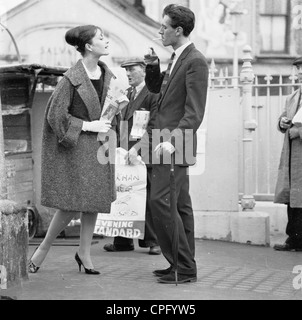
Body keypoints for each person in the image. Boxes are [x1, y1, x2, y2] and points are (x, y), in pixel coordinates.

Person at [28, 25, 117, 275]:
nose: (106, 41)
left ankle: (84, 252)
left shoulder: (109, 76)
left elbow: (110, 110)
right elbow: (55, 115)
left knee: (93, 203)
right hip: (77, 148)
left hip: (101, 147)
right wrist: (88, 125)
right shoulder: (71, 78)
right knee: (70, 204)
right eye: (101, 37)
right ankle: (43, 249)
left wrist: (117, 111)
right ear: (89, 46)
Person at [133, 4, 208, 284]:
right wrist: (153, 67)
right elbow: (159, 95)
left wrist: (173, 142)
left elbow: (194, 111)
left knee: (160, 202)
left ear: (179, 30)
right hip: (167, 143)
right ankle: (181, 263)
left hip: (174, 145)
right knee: (179, 206)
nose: (160, 30)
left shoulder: (195, 60)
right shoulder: (177, 57)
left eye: (164, 26)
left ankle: (184, 266)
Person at [103, 58, 161, 255]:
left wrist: (137, 148)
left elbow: (154, 126)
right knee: (124, 194)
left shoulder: (153, 93)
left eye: (132, 70)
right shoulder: (127, 93)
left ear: (144, 70)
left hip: (143, 152)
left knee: (147, 196)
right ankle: (123, 241)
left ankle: (153, 242)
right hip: (125, 151)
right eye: (126, 71)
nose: (128, 74)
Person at [274, 56, 302, 252]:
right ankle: (293, 239)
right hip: (293, 156)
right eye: (299, 68)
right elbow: (284, 117)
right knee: (292, 198)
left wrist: (299, 132)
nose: (300, 72)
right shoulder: (293, 97)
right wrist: (282, 122)